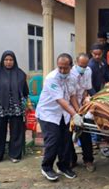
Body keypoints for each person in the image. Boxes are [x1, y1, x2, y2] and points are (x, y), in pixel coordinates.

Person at [36, 53, 84, 181]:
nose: (62, 70)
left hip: (64, 114)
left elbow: (72, 95)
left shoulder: (73, 77)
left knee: (66, 140)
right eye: (60, 67)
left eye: (65, 68)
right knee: (53, 140)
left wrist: (79, 112)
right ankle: (46, 167)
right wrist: (74, 114)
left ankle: (63, 166)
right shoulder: (51, 78)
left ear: (70, 66)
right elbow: (60, 100)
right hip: (48, 113)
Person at [0, 51, 29, 166]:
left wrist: (26, 105)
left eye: (11, 60)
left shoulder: (21, 74)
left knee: (16, 131)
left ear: (14, 61)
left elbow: (25, 92)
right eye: (6, 60)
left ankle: (14, 154)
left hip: (16, 106)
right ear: (2, 61)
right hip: (0, 105)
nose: (8, 62)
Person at [69, 53, 95, 172]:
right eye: (81, 65)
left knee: (85, 133)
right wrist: (76, 112)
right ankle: (71, 160)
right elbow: (71, 95)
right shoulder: (70, 74)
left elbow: (85, 90)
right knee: (68, 135)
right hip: (69, 106)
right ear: (76, 62)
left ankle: (88, 160)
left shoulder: (88, 71)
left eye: (85, 65)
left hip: (81, 106)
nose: (83, 68)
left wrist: (86, 102)